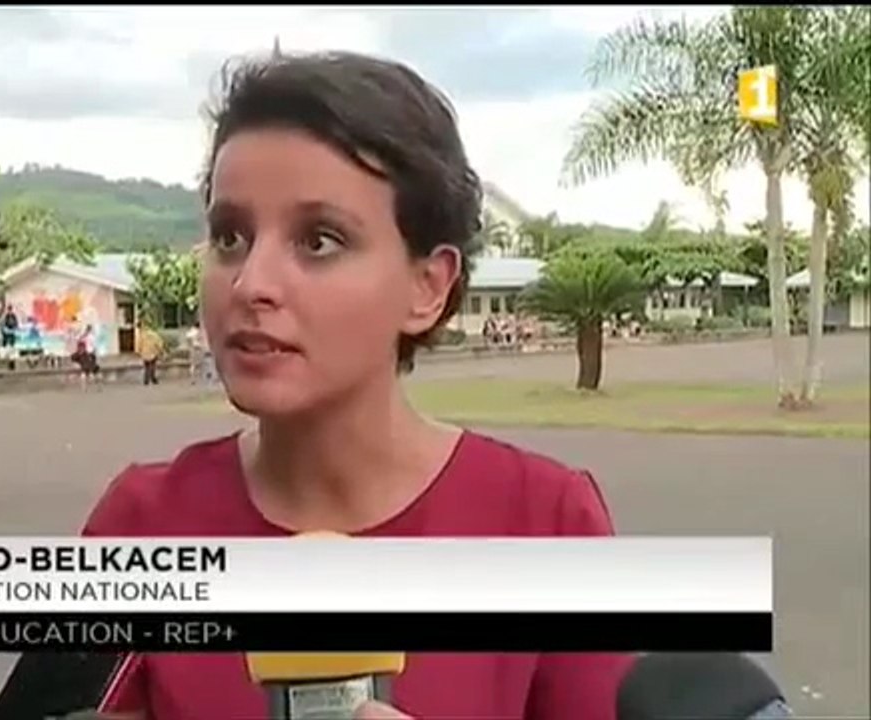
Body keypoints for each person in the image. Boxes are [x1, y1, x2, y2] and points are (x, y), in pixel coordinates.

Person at [78, 51, 633, 718]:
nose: (251, 283)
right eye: (230, 236)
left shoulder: (547, 524)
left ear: (429, 286)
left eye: (319, 241)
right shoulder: (143, 527)